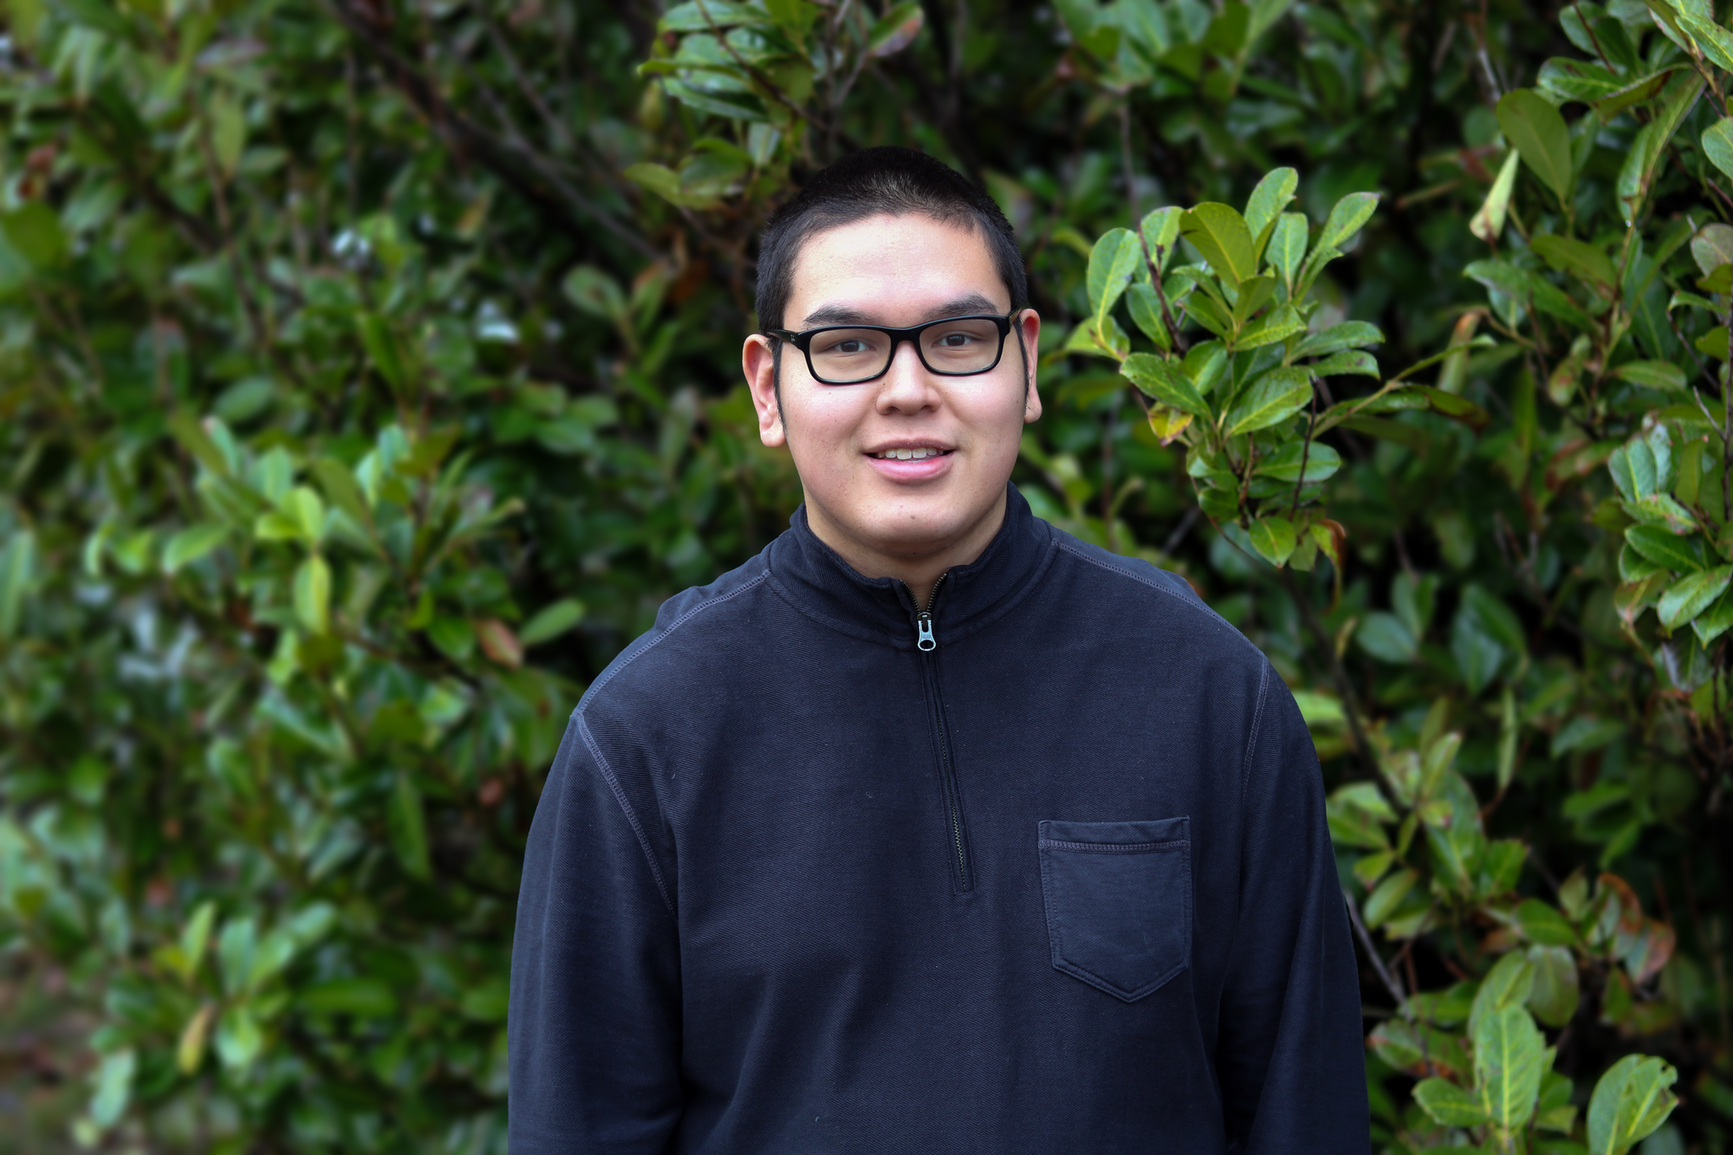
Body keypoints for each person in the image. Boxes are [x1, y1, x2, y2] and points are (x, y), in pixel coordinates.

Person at [508, 146, 1369, 1153]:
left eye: (957, 339)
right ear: (767, 387)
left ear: (1026, 364)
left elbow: (1303, 1116)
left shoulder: (1207, 697)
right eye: (846, 347)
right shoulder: (646, 736)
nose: (907, 389)